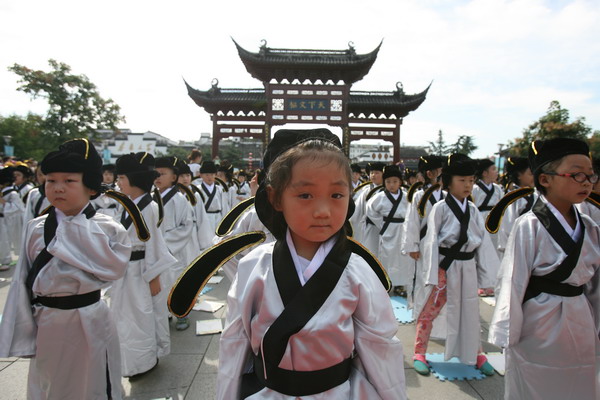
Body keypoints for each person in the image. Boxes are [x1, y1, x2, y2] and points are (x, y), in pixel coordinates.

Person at [217, 129, 406, 399]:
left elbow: (380, 345)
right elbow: (235, 341)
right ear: (275, 197)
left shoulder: (358, 269)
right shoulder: (254, 265)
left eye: (336, 195)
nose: (323, 211)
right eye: (305, 195)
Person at [0, 138, 131, 399]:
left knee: (91, 383)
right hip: (46, 319)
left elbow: (113, 269)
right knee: (49, 383)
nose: (58, 188)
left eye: (69, 181)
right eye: (51, 180)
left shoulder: (108, 228)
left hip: (89, 317)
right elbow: (22, 282)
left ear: (91, 188)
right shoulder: (36, 227)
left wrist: (70, 235)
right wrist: (22, 331)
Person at [489, 138, 600, 400]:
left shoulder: (590, 226)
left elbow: (595, 284)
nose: (586, 181)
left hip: (581, 315)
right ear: (545, 179)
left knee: (581, 380)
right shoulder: (528, 225)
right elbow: (513, 280)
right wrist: (507, 330)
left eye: (590, 175)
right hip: (539, 319)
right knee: (536, 382)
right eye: (576, 174)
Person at [412, 153, 498, 376]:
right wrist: (432, 273)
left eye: (471, 180)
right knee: (430, 310)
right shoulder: (440, 208)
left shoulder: (473, 210)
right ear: (448, 182)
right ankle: (419, 352)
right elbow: (431, 242)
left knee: (470, 310)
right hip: (445, 266)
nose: (468, 185)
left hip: (467, 267)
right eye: (462, 180)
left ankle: (477, 353)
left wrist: (486, 276)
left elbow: (483, 243)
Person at [112, 152, 177, 378]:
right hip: (126, 271)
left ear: (135, 180)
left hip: (142, 271)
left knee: (141, 317)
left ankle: (145, 360)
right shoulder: (128, 204)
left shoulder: (148, 207)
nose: (117, 182)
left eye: (121, 178)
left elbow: (154, 243)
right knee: (127, 318)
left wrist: (154, 275)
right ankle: (132, 360)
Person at [154, 156, 194, 331]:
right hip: (156, 250)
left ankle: (181, 314)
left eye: (163, 173)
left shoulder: (180, 199)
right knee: (161, 284)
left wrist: (165, 242)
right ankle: (165, 313)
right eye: (155, 174)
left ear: (173, 177)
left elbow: (186, 226)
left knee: (177, 283)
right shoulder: (150, 197)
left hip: (173, 250)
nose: (158, 177)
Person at [401, 155, 445, 310]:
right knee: (423, 276)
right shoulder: (419, 196)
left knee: (443, 279)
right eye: (440, 171)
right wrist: (412, 246)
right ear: (430, 174)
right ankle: (421, 310)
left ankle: (441, 316)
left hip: (444, 243)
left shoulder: (447, 196)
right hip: (425, 242)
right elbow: (411, 221)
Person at [366, 165, 412, 296]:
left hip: (402, 229)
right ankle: (387, 284)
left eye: (395, 181)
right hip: (387, 229)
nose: (391, 185)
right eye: (388, 182)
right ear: (384, 183)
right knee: (386, 256)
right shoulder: (379, 197)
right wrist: (382, 224)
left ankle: (400, 285)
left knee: (403, 257)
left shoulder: (407, 196)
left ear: (400, 182)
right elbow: (370, 211)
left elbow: (411, 212)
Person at [0, 167, 23, 271]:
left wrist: (4, 204)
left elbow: (19, 208)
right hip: (4, 219)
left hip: (7, 219)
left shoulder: (12, 193)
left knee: (4, 240)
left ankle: (5, 260)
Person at [197, 160, 227, 240]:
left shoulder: (220, 189)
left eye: (212, 174)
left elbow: (224, 207)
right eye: (206, 175)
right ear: (201, 175)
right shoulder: (198, 190)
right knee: (205, 241)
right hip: (204, 218)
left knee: (217, 241)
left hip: (218, 218)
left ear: (215, 175)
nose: (209, 177)